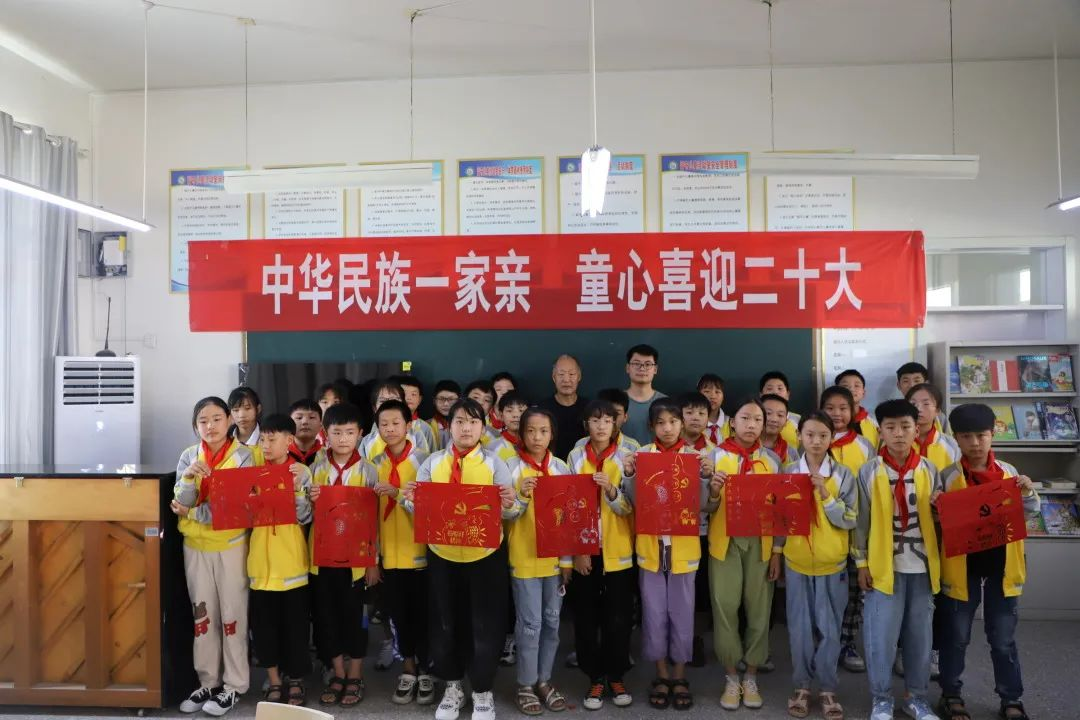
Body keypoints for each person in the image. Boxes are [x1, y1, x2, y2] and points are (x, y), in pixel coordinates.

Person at [403, 398, 522, 720]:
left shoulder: (495, 463)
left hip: (485, 556)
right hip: (443, 556)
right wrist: (411, 500)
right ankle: (453, 686)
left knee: (486, 625)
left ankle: (482, 690)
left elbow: (512, 512)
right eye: (459, 421)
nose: (466, 428)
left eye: (472, 422)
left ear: (483, 427)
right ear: (449, 426)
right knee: (445, 623)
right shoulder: (433, 463)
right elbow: (420, 512)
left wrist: (510, 503)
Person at [936, 404, 1039, 720]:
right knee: (956, 637)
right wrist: (936, 508)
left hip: (1002, 566)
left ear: (992, 434)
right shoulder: (948, 476)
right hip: (962, 566)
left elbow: (1030, 511)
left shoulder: (1009, 473)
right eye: (966, 436)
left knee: (1003, 639)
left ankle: (1011, 698)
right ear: (956, 439)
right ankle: (951, 695)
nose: (975, 443)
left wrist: (1028, 492)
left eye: (981, 435)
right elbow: (938, 523)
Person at [854, 399, 944, 720]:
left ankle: (916, 697)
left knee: (920, 637)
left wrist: (940, 509)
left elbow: (942, 522)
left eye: (905, 427)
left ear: (916, 430)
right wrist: (861, 563)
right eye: (890, 427)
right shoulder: (869, 471)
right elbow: (860, 523)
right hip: (884, 568)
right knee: (881, 637)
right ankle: (881, 698)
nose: (899, 434)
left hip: (922, 567)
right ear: (880, 432)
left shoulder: (929, 470)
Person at [623, 398, 712, 712]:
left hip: (684, 549)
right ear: (651, 427)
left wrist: (705, 477)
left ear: (682, 424)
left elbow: (703, 505)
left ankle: (679, 675)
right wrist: (630, 474)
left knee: (682, 613)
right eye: (660, 423)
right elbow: (633, 502)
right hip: (651, 549)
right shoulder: (642, 456)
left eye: (673, 422)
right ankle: (661, 674)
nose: (668, 428)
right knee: (654, 613)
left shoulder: (695, 458)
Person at [172, 397, 256, 716]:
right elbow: (180, 502)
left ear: (229, 420)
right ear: (196, 426)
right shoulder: (189, 455)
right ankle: (208, 681)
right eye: (203, 420)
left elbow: (232, 509)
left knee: (233, 616)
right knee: (202, 618)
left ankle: (235, 684)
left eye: (217, 418)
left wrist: (193, 512)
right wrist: (188, 478)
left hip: (230, 545)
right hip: (195, 547)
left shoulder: (245, 456)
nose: (210, 426)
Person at [776, 411, 858, 720]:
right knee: (799, 628)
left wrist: (825, 495)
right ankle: (801, 686)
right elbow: (780, 518)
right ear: (799, 436)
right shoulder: (788, 471)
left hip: (831, 563)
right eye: (809, 434)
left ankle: (827, 688)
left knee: (830, 629)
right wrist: (777, 552)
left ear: (832, 438)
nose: (816, 441)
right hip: (796, 562)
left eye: (823, 435)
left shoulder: (843, 475)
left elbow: (850, 519)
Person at [704, 398, 782, 711]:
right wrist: (712, 490)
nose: (751, 425)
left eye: (758, 419)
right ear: (732, 423)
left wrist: (777, 551)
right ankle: (731, 676)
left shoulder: (772, 460)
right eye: (745, 418)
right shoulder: (713, 456)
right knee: (724, 607)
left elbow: (781, 510)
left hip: (761, 543)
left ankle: (751, 675)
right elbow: (703, 507)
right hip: (725, 542)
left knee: (759, 609)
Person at [565, 399, 635, 711]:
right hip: (586, 551)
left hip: (619, 550)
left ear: (616, 423)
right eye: (595, 420)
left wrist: (611, 491)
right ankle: (594, 677)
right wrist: (579, 551)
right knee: (586, 617)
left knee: (618, 618)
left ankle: (616, 675)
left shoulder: (628, 454)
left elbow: (632, 507)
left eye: (608, 420)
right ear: (586, 425)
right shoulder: (575, 455)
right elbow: (569, 506)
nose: (602, 426)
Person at [309, 403, 380, 708]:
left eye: (349, 432)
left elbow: (375, 521)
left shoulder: (369, 470)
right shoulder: (315, 468)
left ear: (360, 434)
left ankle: (355, 675)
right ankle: (337, 673)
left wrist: (373, 561)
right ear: (325, 434)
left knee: (356, 618)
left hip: (356, 561)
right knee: (327, 617)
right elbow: (305, 513)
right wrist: (309, 498)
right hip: (322, 557)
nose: (343, 439)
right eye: (336, 432)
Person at [506, 407, 572, 715]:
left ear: (552, 434)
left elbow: (570, 518)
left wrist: (567, 560)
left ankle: (544, 680)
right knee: (530, 624)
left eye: (543, 431)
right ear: (521, 434)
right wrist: (520, 495)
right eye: (530, 431)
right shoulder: (510, 467)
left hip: (555, 561)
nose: (536, 437)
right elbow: (503, 515)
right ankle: (525, 684)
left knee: (552, 622)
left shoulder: (560, 467)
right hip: (523, 558)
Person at [370, 400, 435, 706]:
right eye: (384, 424)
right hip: (389, 555)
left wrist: (398, 494)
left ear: (409, 425)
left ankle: (427, 671)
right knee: (397, 615)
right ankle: (408, 669)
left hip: (419, 554)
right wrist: (373, 557)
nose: (390, 429)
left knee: (423, 615)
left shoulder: (426, 462)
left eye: (396, 423)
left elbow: (433, 510)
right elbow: (367, 515)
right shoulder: (373, 463)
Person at [248, 414, 313, 706]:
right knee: (264, 627)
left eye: (272, 439)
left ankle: (296, 678)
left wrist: (296, 488)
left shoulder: (301, 471)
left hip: (291, 564)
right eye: (262, 439)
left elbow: (306, 516)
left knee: (295, 627)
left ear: (289, 441)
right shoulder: (253, 472)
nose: (266, 445)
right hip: (260, 565)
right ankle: (274, 680)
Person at [819, 385, 877, 674]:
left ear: (853, 411)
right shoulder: (814, 439)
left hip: (855, 529)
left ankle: (846, 643)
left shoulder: (865, 446)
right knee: (823, 594)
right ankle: (823, 642)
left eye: (843, 408)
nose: (837, 414)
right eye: (830, 408)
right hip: (820, 532)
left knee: (853, 593)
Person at [361, 380, 431, 459]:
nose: (388, 405)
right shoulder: (367, 442)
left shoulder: (417, 435)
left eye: (394, 400)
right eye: (382, 401)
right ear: (374, 408)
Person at [538, 354, 589, 459]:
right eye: (561, 374)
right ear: (554, 377)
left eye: (571, 374)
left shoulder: (590, 408)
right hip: (551, 465)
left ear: (579, 377)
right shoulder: (541, 410)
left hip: (584, 464)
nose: (566, 379)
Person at [907, 384, 960, 472]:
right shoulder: (897, 443)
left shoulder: (951, 445)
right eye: (913, 404)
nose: (918, 409)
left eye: (926, 404)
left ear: (937, 411)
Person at [572, 388, 640, 456]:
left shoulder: (632, 447)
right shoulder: (581, 444)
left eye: (617, 413)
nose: (613, 418)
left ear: (625, 417)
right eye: (608, 414)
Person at [622, 344, 666, 445]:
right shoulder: (616, 402)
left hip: (655, 455)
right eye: (636, 364)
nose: (642, 368)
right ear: (628, 368)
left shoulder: (666, 403)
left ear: (655, 369)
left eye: (648, 364)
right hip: (621, 455)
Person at [896, 363, 949, 434]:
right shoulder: (892, 414)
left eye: (917, 381)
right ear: (898, 385)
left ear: (926, 383)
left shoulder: (938, 416)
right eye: (906, 381)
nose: (912, 385)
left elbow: (948, 438)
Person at [391, 374, 439, 451]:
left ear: (419, 399)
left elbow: (432, 455)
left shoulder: (426, 429)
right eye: (404, 394)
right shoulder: (384, 424)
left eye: (413, 394)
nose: (408, 398)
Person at [835, 369, 880, 447]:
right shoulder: (829, 423)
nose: (851, 389)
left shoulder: (875, 425)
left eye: (856, 386)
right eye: (845, 386)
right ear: (835, 392)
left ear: (863, 393)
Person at [759, 371, 800, 449]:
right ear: (761, 395)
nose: (775, 392)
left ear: (788, 394)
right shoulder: (752, 419)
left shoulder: (798, 421)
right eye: (769, 389)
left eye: (780, 388)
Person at [488, 390, 529, 463]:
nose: (516, 415)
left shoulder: (537, 442)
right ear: (501, 416)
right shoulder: (494, 447)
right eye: (509, 411)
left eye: (521, 410)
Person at [760, 393, 800, 465]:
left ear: (786, 422)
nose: (774, 419)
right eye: (768, 413)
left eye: (780, 415)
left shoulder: (791, 453)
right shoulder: (745, 446)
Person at [227, 386, 262, 458]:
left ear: (258, 409)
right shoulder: (225, 439)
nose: (241, 415)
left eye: (247, 408)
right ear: (230, 413)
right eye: (236, 410)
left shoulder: (269, 437)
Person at [288, 399, 324, 465]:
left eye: (312, 417)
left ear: (321, 426)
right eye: (299, 417)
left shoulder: (328, 455)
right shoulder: (279, 454)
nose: (305, 422)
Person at [429, 379, 462, 450]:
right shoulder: (426, 425)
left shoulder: (465, 425)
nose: (446, 404)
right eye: (441, 399)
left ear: (459, 401)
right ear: (434, 401)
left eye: (451, 399)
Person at [698, 374, 729, 445]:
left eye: (717, 392)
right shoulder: (691, 423)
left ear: (723, 396)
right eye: (707, 391)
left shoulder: (732, 424)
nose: (712, 396)